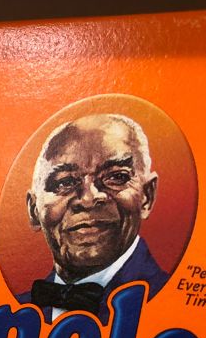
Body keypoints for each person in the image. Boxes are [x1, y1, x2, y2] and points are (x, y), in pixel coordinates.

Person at [17, 113, 168, 323]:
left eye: (116, 177)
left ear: (147, 196)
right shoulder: (14, 312)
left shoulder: (172, 304)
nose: (88, 199)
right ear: (34, 210)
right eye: (64, 182)